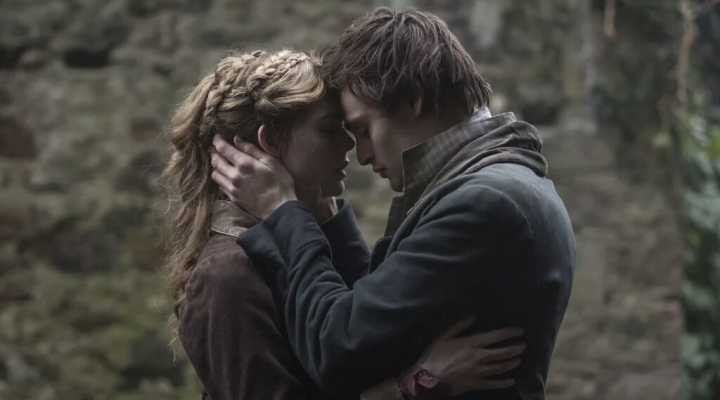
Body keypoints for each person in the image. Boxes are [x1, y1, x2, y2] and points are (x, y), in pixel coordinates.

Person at [210, 7, 576, 400]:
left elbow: (337, 349)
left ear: (413, 100)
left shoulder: (484, 203)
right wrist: (327, 217)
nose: (361, 154)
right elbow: (379, 308)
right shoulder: (497, 183)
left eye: (364, 129)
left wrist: (282, 212)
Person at [163, 49, 527, 400]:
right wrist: (415, 385)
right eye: (329, 129)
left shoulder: (303, 236)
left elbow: (366, 338)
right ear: (270, 141)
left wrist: (320, 212)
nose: (348, 146)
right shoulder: (226, 274)